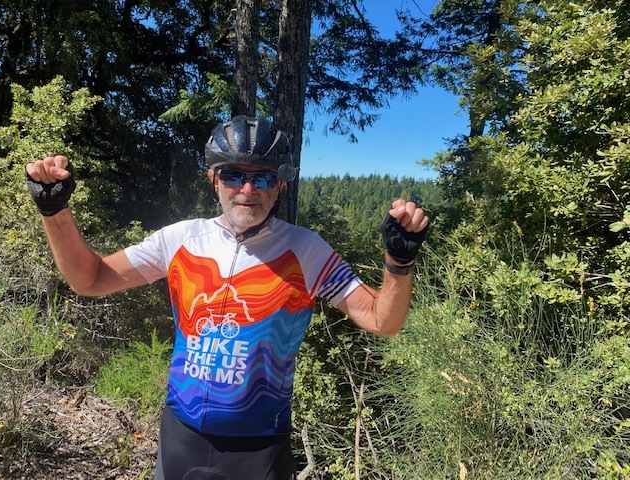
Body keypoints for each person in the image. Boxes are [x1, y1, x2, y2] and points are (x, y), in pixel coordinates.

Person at [25, 115, 429, 480]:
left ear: (281, 185)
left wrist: (399, 261)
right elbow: (90, 279)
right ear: (213, 179)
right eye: (234, 175)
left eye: (264, 178)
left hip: (258, 448)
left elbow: (382, 320)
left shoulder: (306, 250)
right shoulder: (181, 239)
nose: (248, 189)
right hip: (179, 435)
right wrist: (54, 210)